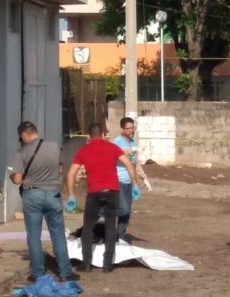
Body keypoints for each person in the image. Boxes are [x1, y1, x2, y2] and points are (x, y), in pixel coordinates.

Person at [10, 121, 79, 282]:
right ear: (35, 131)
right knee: (58, 234)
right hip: (53, 194)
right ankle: (66, 272)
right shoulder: (54, 146)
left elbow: (18, 179)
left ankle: (37, 273)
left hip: (32, 195)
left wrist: (12, 175)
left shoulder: (21, 152)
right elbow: (61, 170)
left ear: (23, 135)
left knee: (34, 235)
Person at [67, 123, 139, 273]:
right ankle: (108, 264)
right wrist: (135, 185)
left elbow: (71, 174)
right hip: (112, 191)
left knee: (88, 227)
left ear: (88, 136)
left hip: (94, 193)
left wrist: (71, 196)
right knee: (110, 226)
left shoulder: (84, 150)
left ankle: (86, 263)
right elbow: (129, 165)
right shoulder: (112, 147)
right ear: (103, 134)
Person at [111, 117, 152, 244]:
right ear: (122, 129)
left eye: (132, 128)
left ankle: (120, 236)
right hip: (119, 180)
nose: (131, 130)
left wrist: (144, 178)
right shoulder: (117, 142)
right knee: (123, 209)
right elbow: (115, 152)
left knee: (127, 213)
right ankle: (104, 215)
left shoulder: (133, 143)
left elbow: (135, 163)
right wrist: (131, 150)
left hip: (130, 182)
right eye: (128, 128)